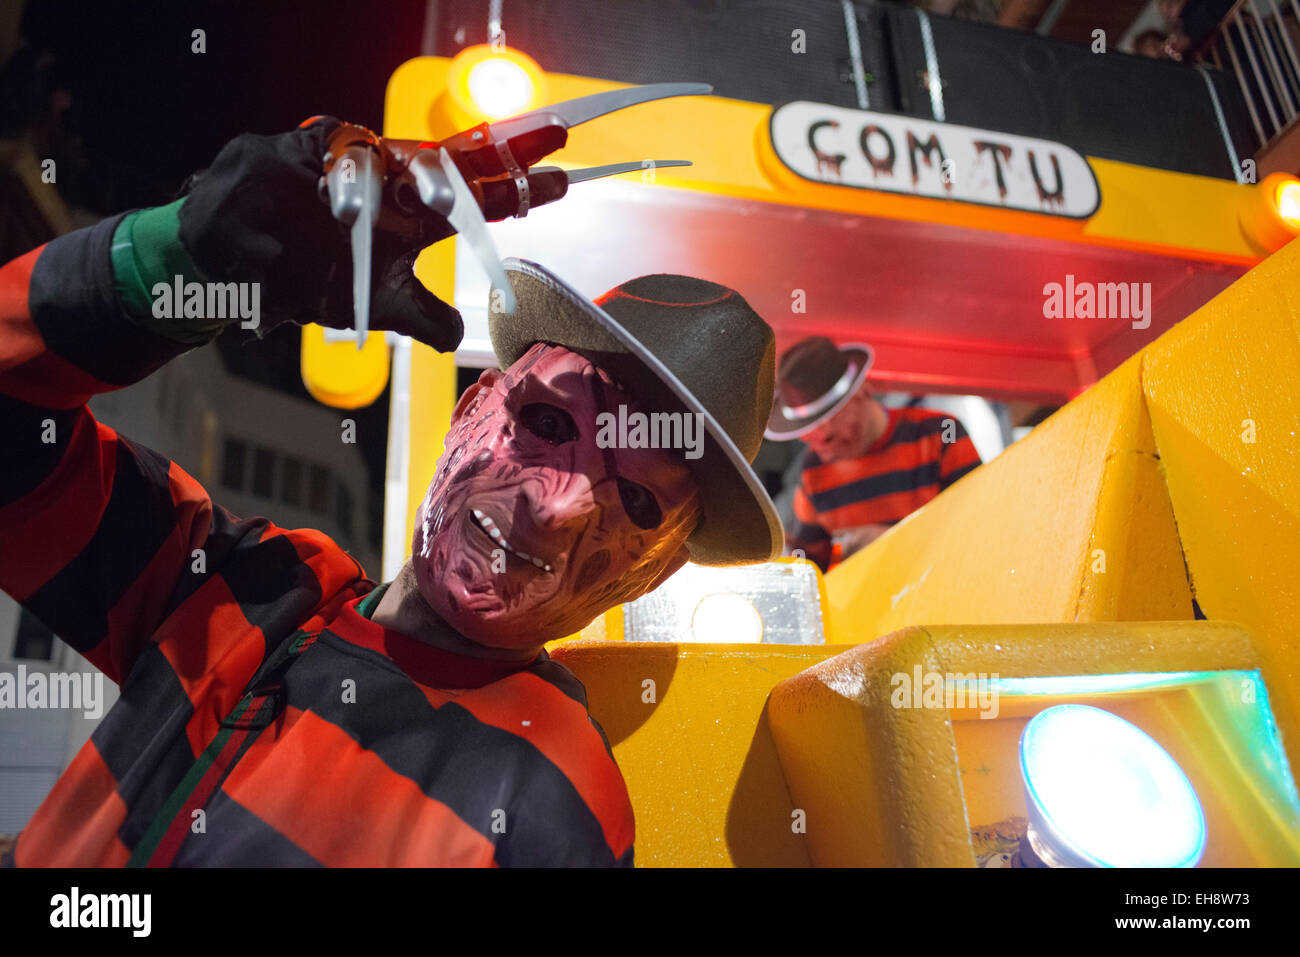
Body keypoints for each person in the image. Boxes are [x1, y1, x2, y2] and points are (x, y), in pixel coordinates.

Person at [0, 118, 782, 866]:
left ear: (651, 572)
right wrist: (179, 262)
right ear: (472, 408)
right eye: (546, 420)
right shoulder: (240, 591)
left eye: (639, 503)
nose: (556, 505)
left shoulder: (556, 799)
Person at [766, 336, 981, 572]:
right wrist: (784, 551)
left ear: (861, 393)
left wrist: (895, 541)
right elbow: (815, 567)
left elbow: (983, 526)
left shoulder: (938, 436)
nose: (825, 454)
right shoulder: (813, 472)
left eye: (830, 438)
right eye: (810, 442)